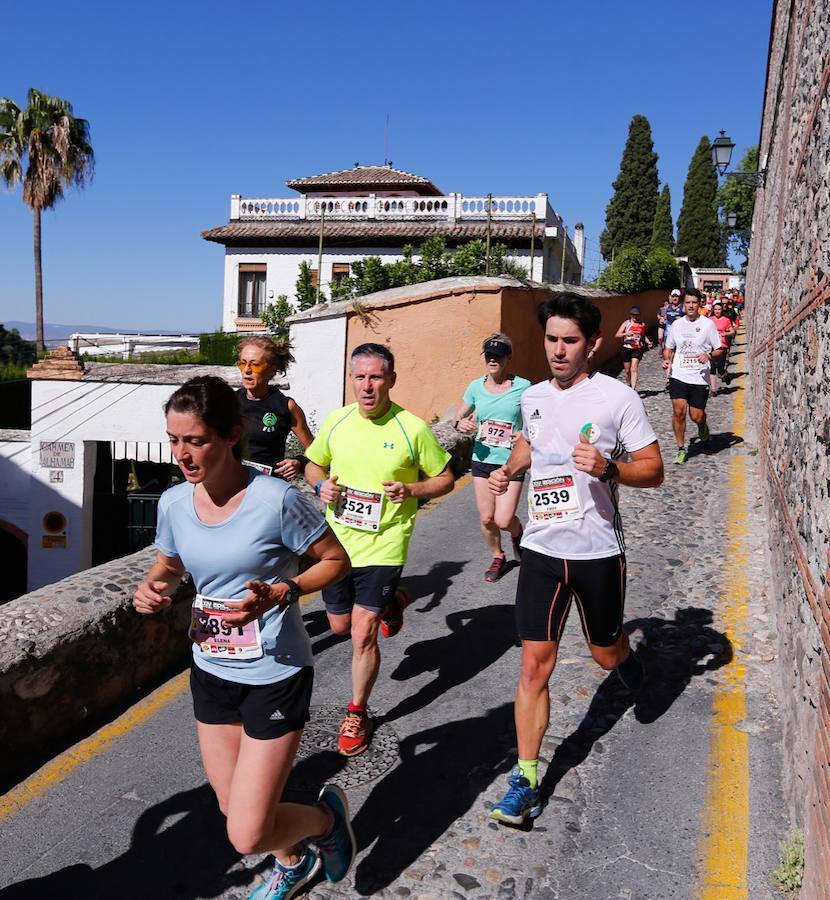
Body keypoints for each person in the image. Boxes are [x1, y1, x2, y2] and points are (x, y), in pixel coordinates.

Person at [133, 375, 355, 899]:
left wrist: (283, 591)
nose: (181, 454)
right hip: (211, 669)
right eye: (173, 439)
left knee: (246, 832)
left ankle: (325, 822)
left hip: (274, 673)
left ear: (231, 435)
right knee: (232, 804)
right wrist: (150, 589)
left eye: (196, 440)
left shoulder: (275, 500)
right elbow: (167, 568)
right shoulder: (172, 504)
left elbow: (336, 561)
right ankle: (295, 861)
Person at [487, 293, 663, 826]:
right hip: (541, 550)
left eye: (569, 341)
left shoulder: (617, 399)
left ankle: (628, 665)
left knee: (605, 653)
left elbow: (653, 470)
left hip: (597, 554)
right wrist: (510, 471)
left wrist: (610, 468)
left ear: (593, 343)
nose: (558, 351)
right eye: (551, 340)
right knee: (534, 665)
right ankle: (527, 778)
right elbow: (530, 441)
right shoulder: (534, 396)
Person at [305, 343, 454, 757]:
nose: (367, 386)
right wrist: (321, 485)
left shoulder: (412, 428)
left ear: (390, 379)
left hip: (385, 544)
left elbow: (445, 477)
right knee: (337, 627)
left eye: (375, 377)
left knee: (360, 634)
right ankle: (395, 603)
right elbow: (312, 463)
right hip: (339, 546)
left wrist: (413, 489)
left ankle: (357, 711)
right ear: (351, 379)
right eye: (359, 377)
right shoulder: (337, 421)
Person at [455, 333, 531, 582]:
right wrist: (461, 423)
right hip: (483, 458)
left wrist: (524, 432)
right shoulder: (475, 387)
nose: (492, 359)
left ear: (508, 358)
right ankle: (498, 556)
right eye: (489, 355)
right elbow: (459, 416)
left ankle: (517, 533)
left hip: (512, 461)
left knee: (504, 518)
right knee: (487, 518)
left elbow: (537, 420)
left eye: (497, 355)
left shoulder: (524, 387)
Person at [236, 336, 314, 478]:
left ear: (272, 370)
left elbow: (315, 450)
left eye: (255, 365)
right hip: (235, 485)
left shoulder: (286, 406)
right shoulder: (230, 402)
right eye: (242, 363)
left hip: (270, 486)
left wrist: (299, 462)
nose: (247, 370)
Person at [663, 288, 724, 464]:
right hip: (679, 374)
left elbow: (719, 349)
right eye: (687, 302)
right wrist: (667, 360)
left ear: (699, 304)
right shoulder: (676, 325)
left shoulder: (708, 325)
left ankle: (702, 426)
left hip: (699, 376)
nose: (690, 306)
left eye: (694, 302)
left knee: (696, 415)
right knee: (678, 410)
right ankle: (681, 449)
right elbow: (669, 348)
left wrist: (709, 355)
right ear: (683, 304)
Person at [614, 305, 653, 391]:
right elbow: (617, 335)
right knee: (627, 371)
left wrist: (648, 342)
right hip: (626, 348)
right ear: (630, 315)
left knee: (634, 368)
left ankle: (633, 389)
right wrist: (626, 334)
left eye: (637, 315)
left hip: (638, 348)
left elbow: (643, 335)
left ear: (639, 315)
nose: (635, 316)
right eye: (633, 315)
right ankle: (628, 385)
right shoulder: (626, 324)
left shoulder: (642, 324)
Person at [708, 302, 736, 394]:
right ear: (713, 310)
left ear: (722, 310)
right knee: (712, 368)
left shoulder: (726, 320)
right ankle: (713, 390)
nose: (717, 311)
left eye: (719, 309)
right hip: (711, 346)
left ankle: (725, 375)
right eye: (715, 309)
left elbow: (732, 331)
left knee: (720, 369)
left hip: (722, 345)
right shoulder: (709, 320)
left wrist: (724, 333)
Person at [657, 289, 684, 382]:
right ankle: (668, 374)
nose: (675, 298)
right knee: (666, 354)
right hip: (668, 333)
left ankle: (673, 373)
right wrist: (661, 319)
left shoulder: (683, 308)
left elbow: (689, 318)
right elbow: (663, 317)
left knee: (674, 354)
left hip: (679, 334)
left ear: (680, 297)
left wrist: (682, 319)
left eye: (676, 296)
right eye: (673, 296)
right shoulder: (667, 307)